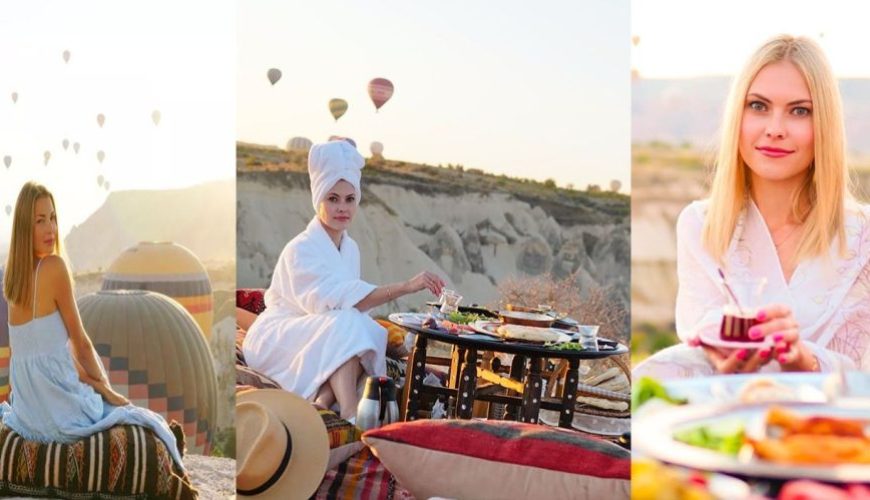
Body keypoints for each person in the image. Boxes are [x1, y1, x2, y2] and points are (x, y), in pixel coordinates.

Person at [635, 35, 870, 379]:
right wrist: (719, 353)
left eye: (800, 111)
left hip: (835, 427)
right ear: (737, 116)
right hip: (722, 422)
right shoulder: (701, 225)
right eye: (758, 106)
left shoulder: (863, 238)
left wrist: (805, 361)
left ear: (825, 126)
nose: (775, 129)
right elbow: (699, 345)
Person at [243, 139, 446, 420]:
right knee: (350, 324)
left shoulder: (350, 249)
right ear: (318, 200)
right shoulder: (300, 249)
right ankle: (351, 412)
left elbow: (349, 308)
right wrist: (406, 286)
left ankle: (324, 401)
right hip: (278, 338)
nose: (343, 208)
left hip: (323, 334)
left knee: (366, 329)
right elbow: (337, 301)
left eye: (350, 199)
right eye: (333, 198)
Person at [1, 181, 184, 469]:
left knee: (106, 398)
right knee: (138, 417)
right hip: (61, 413)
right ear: (25, 227)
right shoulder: (55, 267)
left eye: (53, 218)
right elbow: (80, 343)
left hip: (28, 414)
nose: (51, 228)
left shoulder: (13, 283)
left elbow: (51, 360)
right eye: (40, 221)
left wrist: (95, 384)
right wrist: (105, 388)